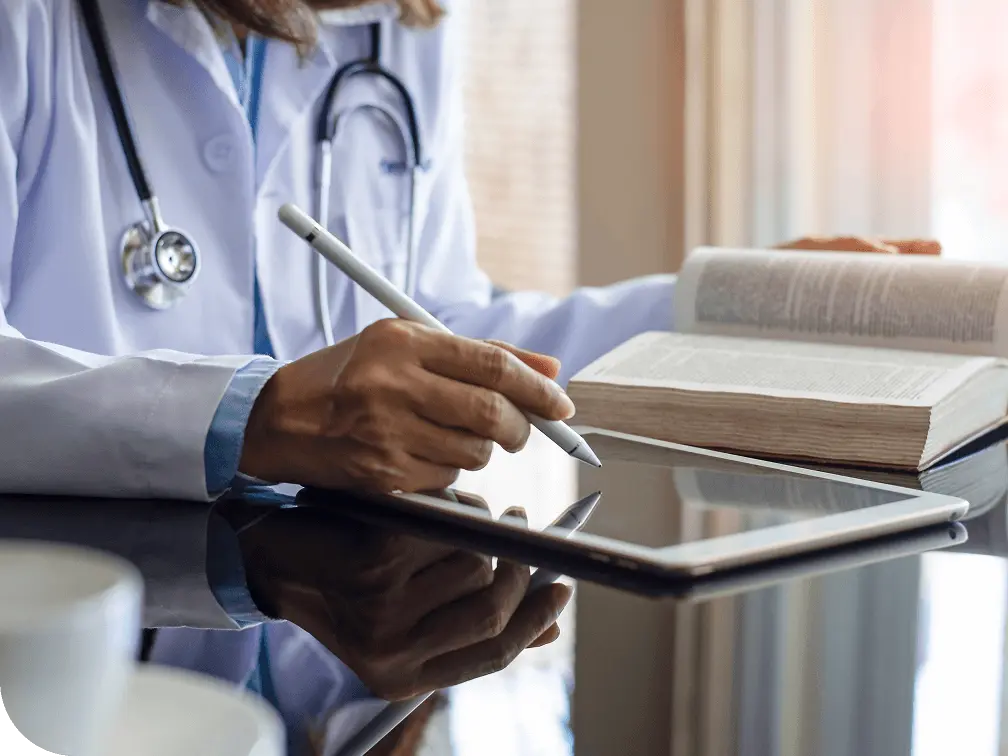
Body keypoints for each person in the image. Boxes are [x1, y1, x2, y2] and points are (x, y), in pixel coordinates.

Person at [0, 0, 939, 751]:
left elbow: (438, 321)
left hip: (335, 678)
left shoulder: (402, 24)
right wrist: (254, 416)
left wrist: (716, 316)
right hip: (59, 652)